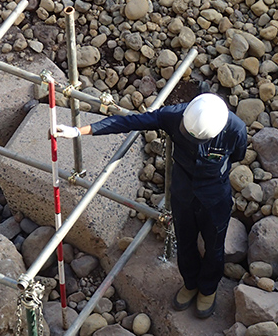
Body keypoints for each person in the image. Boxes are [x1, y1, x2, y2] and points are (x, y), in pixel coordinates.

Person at [56, 93, 247, 318]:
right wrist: (79, 131)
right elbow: (130, 122)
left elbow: (237, 155)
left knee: (214, 246)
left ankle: (208, 289)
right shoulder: (175, 116)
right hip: (183, 192)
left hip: (215, 197)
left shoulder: (235, 128)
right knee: (185, 242)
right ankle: (190, 283)